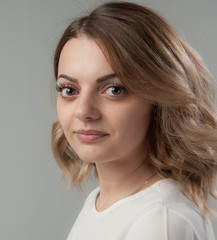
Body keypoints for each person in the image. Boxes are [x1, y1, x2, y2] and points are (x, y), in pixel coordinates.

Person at [51, 2, 217, 239]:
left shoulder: (160, 221)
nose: (83, 111)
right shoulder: (101, 202)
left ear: (159, 100)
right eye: (69, 90)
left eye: (114, 90)